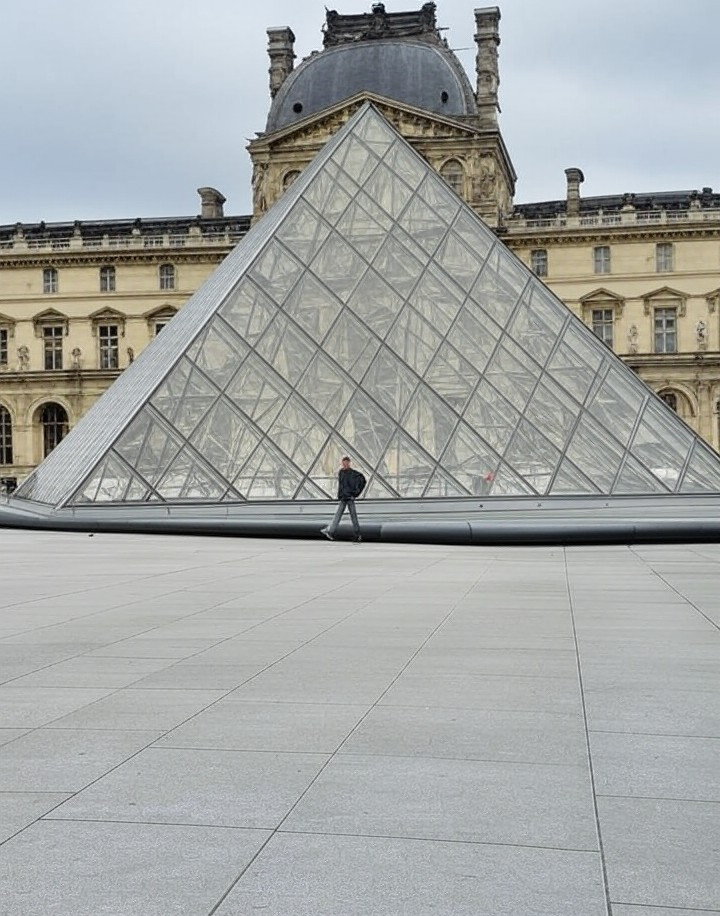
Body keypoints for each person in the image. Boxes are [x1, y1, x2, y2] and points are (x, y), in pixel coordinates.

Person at [321, 457, 366, 542]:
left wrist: (356, 493)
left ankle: (356, 534)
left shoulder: (353, 473)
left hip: (349, 497)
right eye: (344, 463)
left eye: (346, 463)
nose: (345, 464)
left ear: (349, 463)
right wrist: (340, 495)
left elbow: (362, 481)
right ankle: (331, 531)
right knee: (339, 515)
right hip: (344, 497)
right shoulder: (341, 472)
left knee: (351, 516)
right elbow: (341, 486)